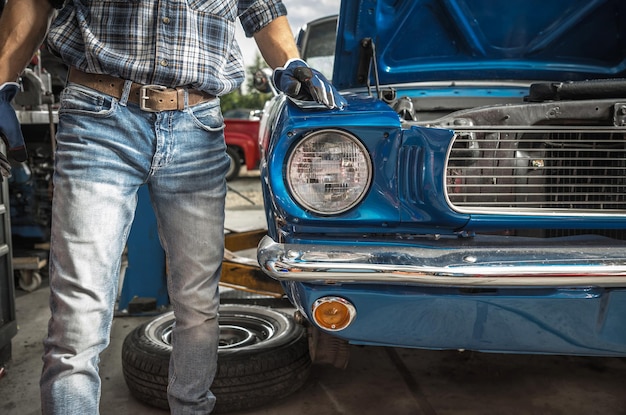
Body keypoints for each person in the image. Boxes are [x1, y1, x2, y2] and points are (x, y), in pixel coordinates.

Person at [0, 0, 344, 413]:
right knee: (78, 317)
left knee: (198, 306)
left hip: (197, 127)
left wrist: (292, 63)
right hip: (99, 117)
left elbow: (263, 11)